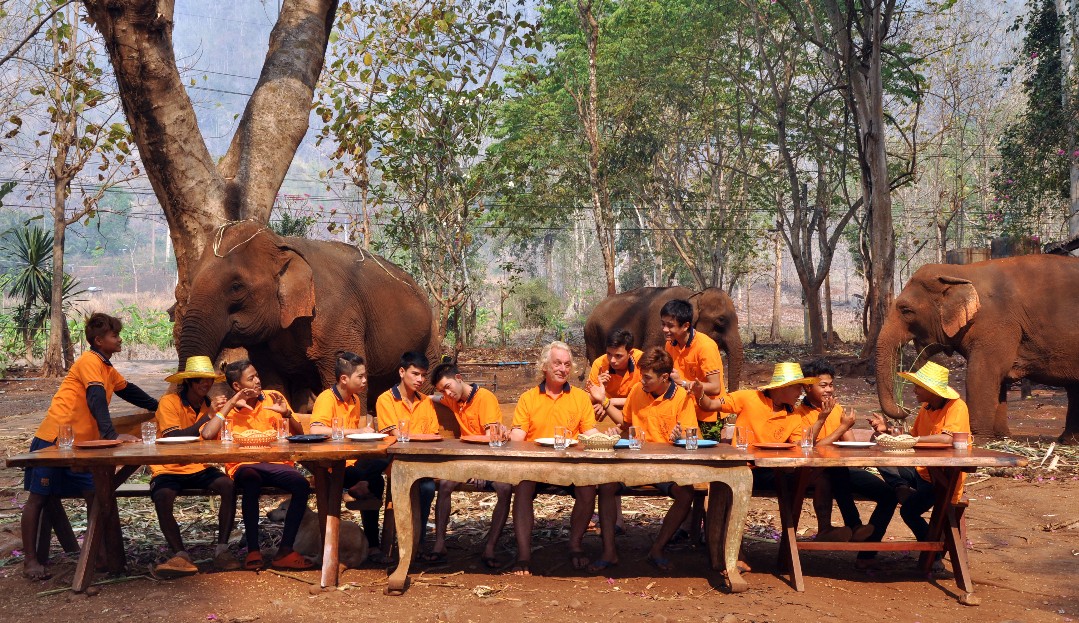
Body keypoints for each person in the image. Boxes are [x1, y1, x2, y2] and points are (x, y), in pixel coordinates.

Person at [20, 312, 159, 580]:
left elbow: (127, 390)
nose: (119, 340)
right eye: (114, 336)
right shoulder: (89, 362)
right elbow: (96, 399)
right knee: (38, 498)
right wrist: (112, 436)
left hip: (84, 444)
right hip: (55, 440)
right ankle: (30, 560)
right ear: (99, 340)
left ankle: (100, 554)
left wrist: (158, 406)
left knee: (95, 494)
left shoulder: (106, 367)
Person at [693, 361, 816, 571]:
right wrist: (699, 394)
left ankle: (733, 553)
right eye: (798, 387)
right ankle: (722, 555)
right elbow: (710, 405)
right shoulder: (748, 398)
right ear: (783, 387)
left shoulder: (793, 416)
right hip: (738, 466)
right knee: (723, 486)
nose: (801, 392)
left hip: (768, 471)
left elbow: (799, 445)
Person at [589, 347, 699, 572]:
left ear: (665, 377)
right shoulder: (638, 391)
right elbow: (626, 423)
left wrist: (680, 437)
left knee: (686, 494)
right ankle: (609, 552)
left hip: (665, 469)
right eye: (641, 375)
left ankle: (658, 548)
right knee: (607, 486)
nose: (642, 381)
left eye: (647, 377)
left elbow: (692, 438)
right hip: (634, 463)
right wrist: (610, 415)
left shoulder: (682, 398)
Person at [508, 341, 602, 576]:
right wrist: (505, 434)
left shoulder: (580, 398)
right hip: (535, 467)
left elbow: (589, 432)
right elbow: (518, 435)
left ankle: (575, 544)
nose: (562, 368)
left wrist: (605, 437)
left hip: (570, 466)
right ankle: (523, 554)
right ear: (544, 367)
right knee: (522, 487)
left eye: (567, 364)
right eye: (557, 363)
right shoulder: (528, 398)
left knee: (588, 488)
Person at [211, 360, 313, 571]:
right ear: (237, 386)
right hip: (244, 465)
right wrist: (230, 405)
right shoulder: (227, 408)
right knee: (250, 480)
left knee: (301, 484)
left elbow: (299, 433)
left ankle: (285, 550)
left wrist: (286, 414)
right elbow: (207, 434)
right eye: (251, 378)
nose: (258, 380)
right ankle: (253, 551)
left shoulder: (273, 398)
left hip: (276, 463)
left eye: (257, 375)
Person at [793, 359, 897, 564]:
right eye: (823, 385)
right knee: (833, 470)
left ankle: (866, 552)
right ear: (807, 387)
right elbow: (809, 448)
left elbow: (849, 446)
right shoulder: (799, 413)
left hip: (840, 471)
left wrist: (877, 434)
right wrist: (839, 427)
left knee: (888, 495)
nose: (829, 390)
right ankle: (853, 525)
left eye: (831, 385)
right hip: (812, 472)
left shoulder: (837, 408)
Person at [150, 356, 241, 577]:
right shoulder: (169, 402)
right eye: (201, 380)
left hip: (198, 467)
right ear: (189, 381)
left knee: (228, 485)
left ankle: (221, 550)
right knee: (162, 496)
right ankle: (180, 555)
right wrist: (207, 418)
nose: (206, 385)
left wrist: (221, 415)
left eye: (209, 381)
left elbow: (212, 435)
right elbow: (173, 437)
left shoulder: (206, 404)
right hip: (168, 467)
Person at [871, 361, 970, 554]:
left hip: (942, 478)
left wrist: (913, 439)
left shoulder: (957, 407)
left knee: (908, 511)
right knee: (882, 457)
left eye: (918, 387)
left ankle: (933, 554)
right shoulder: (926, 408)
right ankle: (900, 487)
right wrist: (888, 431)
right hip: (921, 472)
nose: (914, 390)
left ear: (931, 390)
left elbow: (947, 438)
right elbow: (911, 435)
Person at [428, 361, 513, 568]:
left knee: (504, 488)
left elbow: (489, 439)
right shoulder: (453, 400)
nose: (446, 394)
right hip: (467, 462)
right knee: (445, 484)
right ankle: (439, 544)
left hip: (490, 459)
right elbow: (432, 398)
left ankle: (490, 548)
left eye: (447, 387)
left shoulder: (485, 398)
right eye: (442, 390)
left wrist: (480, 468)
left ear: (459, 378)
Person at [309, 351, 390, 565]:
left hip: (352, 461)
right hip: (331, 465)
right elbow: (316, 429)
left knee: (379, 472)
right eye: (360, 377)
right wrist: (353, 432)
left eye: (365, 376)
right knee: (371, 476)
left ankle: (372, 544)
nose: (365, 381)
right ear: (344, 379)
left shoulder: (354, 400)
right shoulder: (327, 398)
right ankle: (359, 487)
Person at [375, 351, 439, 555]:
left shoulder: (426, 402)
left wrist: (415, 438)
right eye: (415, 374)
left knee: (427, 488)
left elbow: (434, 434)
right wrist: (418, 437)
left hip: (423, 462)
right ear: (402, 372)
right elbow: (395, 435)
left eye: (423, 375)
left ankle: (418, 542)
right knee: (408, 487)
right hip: (397, 462)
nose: (420, 380)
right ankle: (402, 542)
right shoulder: (385, 400)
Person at [585, 328, 642, 535]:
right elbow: (588, 398)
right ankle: (616, 519)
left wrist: (607, 401)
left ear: (631, 352)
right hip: (608, 422)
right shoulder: (599, 364)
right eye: (609, 354)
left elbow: (642, 398)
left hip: (636, 420)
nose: (613, 360)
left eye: (618, 356)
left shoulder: (642, 363)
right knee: (608, 465)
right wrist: (599, 390)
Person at [660, 299, 726, 430]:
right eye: (663, 324)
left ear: (685, 326)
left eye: (670, 325)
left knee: (705, 451)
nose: (665, 329)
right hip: (685, 411)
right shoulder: (669, 344)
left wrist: (683, 383)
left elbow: (715, 387)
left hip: (708, 415)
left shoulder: (705, 346)